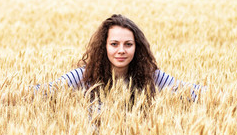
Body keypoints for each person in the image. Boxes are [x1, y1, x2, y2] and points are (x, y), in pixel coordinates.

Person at [34, 14, 204, 103]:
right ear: (104, 47)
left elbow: (194, 92)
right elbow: (42, 92)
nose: (121, 50)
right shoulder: (82, 76)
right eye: (114, 44)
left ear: (137, 47)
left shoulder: (152, 77)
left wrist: (226, 96)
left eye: (128, 44)